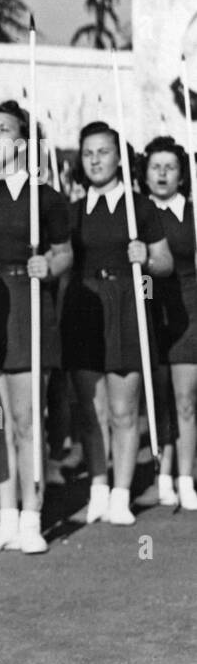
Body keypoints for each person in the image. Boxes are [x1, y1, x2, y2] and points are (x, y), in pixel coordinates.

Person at [0, 101, 72, 552]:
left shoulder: (45, 198)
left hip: (27, 306)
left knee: (27, 420)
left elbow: (64, 253)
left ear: (24, 143)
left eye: (4, 130)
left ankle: (32, 515)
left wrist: (50, 263)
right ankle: (5, 514)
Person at [62, 122, 173, 526]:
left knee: (124, 410)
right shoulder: (71, 211)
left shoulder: (139, 207)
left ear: (119, 158)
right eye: (88, 153)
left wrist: (146, 256)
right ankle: (98, 487)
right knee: (91, 411)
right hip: (84, 309)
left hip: (127, 304)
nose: (95, 160)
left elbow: (164, 264)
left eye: (103, 152)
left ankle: (122, 493)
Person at [142, 136, 197, 510]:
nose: (162, 174)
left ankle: (186, 478)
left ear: (182, 174)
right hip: (150, 308)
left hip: (190, 309)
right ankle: (162, 474)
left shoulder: (193, 212)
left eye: (170, 167)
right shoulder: (137, 213)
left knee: (186, 398)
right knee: (157, 397)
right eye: (155, 167)